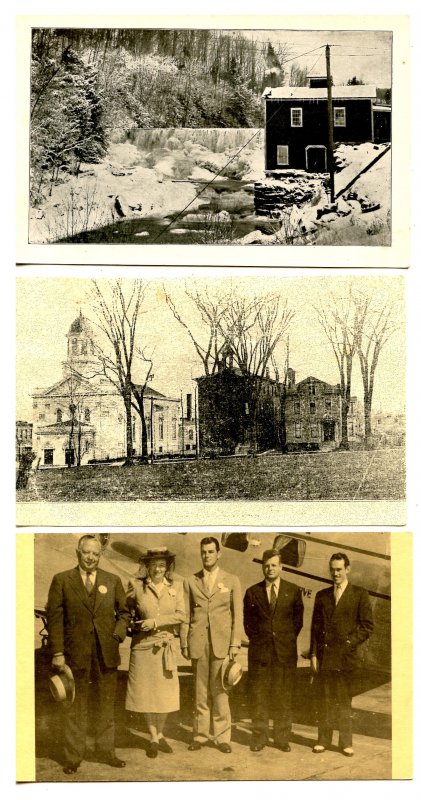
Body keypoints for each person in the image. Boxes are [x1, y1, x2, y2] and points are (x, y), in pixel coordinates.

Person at [46, 534, 129, 775]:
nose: (91, 557)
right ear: (78, 553)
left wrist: (116, 636)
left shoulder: (112, 580)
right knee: (75, 706)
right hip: (75, 655)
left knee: (105, 704)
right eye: (87, 553)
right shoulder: (62, 580)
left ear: (100, 555)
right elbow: (55, 619)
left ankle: (106, 752)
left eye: (96, 553)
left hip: (106, 654)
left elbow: (124, 613)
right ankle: (73, 757)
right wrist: (58, 652)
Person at [180, 536, 243, 753]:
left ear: (219, 554)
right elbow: (186, 616)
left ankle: (222, 737)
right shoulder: (190, 581)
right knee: (200, 692)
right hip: (199, 644)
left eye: (210, 552)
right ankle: (200, 735)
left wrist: (235, 645)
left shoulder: (232, 580)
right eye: (203, 552)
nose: (207, 556)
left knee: (221, 692)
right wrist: (184, 643)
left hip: (222, 645)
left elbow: (237, 616)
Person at [310, 552, 374, 757]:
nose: (335, 573)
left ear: (347, 569)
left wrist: (349, 643)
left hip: (346, 657)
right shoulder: (322, 595)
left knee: (344, 700)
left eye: (339, 569)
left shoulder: (359, 594)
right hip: (326, 657)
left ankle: (346, 742)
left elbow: (367, 626)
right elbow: (315, 628)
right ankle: (323, 740)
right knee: (325, 699)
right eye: (332, 569)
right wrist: (313, 655)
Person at [125, 548, 185, 758]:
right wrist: (134, 623)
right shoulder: (136, 586)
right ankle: (153, 736)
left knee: (165, 694)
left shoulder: (176, 587)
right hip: (143, 646)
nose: (158, 569)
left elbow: (181, 615)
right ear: (147, 566)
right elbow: (127, 610)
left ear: (167, 567)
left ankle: (160, 734)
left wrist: (156, 622)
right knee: (146, 694)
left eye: (162, 565)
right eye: (154, 565)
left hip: (164, 646)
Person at [243, 548, 304, 752]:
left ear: (281, 567)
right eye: (266, 565)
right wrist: (262, 641)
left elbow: (297, 623)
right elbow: (248, 625)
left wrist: (283, 642)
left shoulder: (293, 591)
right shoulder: (252, 592)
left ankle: (281, 739)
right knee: (259, 696)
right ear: (263, 567)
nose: (270, 569)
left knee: (283, 697)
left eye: (274, 565)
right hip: (260, 654)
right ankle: (259, 737)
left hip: (284, 655)